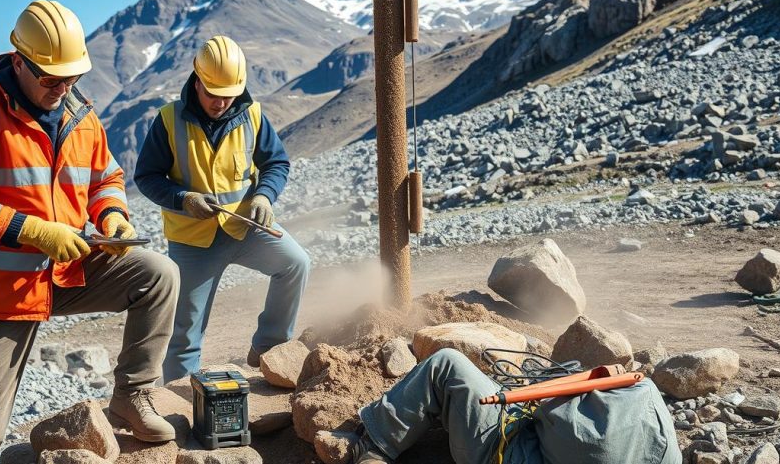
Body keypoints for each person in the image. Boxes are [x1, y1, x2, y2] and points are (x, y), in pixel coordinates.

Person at [0, 0, 180, 464]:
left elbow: (106, 178)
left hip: (62, 271)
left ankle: (133, 394)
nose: (63, 88)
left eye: (72, 77)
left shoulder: (79, 116)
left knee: (158, 275)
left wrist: (112, 217)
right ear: (20, 63)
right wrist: (35, 232)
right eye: (51, 78)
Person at [134, 35, 311, 383]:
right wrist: (182, 198)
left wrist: (263, 196)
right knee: (185, 332)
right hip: (192, 242)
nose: (221, 102)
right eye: (213, 93)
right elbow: (147, 177)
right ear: (196, 81)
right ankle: (181, 401)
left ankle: (269, 351)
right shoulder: (169, 120)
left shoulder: (253, 115)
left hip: (245, 228)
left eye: (228, 94)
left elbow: (277, 163)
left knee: (296, 264)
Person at [350, 349, 680, 464]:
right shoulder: (651, 408)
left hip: (507, 454)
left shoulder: (579, 427)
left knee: (446, 364)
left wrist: (550, 392)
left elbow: (538, 412)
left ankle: (374, 446)